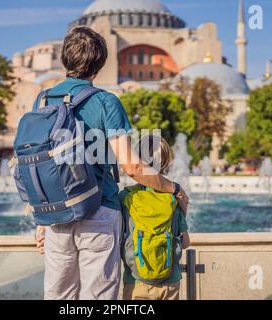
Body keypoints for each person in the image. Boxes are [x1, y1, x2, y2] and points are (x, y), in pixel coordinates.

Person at [35, 26, 189, 300]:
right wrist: (172, 187)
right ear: (100, 64)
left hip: (56, 213)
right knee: (97, 296)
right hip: (99, 209)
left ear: (64, 60)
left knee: (59, 295)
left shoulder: (43, 99)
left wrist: (40, 218)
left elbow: (38, 163)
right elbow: (132, 167)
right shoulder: (106, 102)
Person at [120, 135, 190, 300]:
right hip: (170, 281)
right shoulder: (173, 198)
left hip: (136, 281)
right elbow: (185, 242)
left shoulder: (125, 197)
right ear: (166, 163)